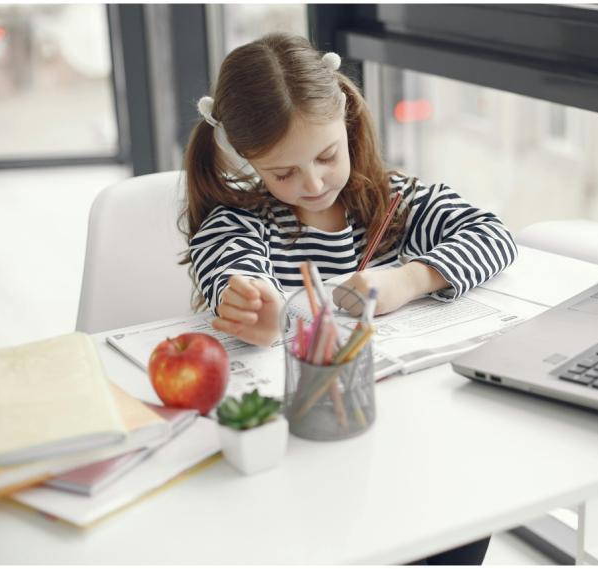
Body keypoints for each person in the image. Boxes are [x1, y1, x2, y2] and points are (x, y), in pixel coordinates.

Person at [181, 33, 515, 563]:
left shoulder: (397, 202)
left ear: (348, 121)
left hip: (402, 440)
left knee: (464, 513)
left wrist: (410, 278)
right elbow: (231, 268)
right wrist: (255, 309)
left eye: (326, 156)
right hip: (304, 456)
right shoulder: (242, 223)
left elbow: (492, 235)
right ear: (246, 160)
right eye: (282, 172)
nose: (312, 183)